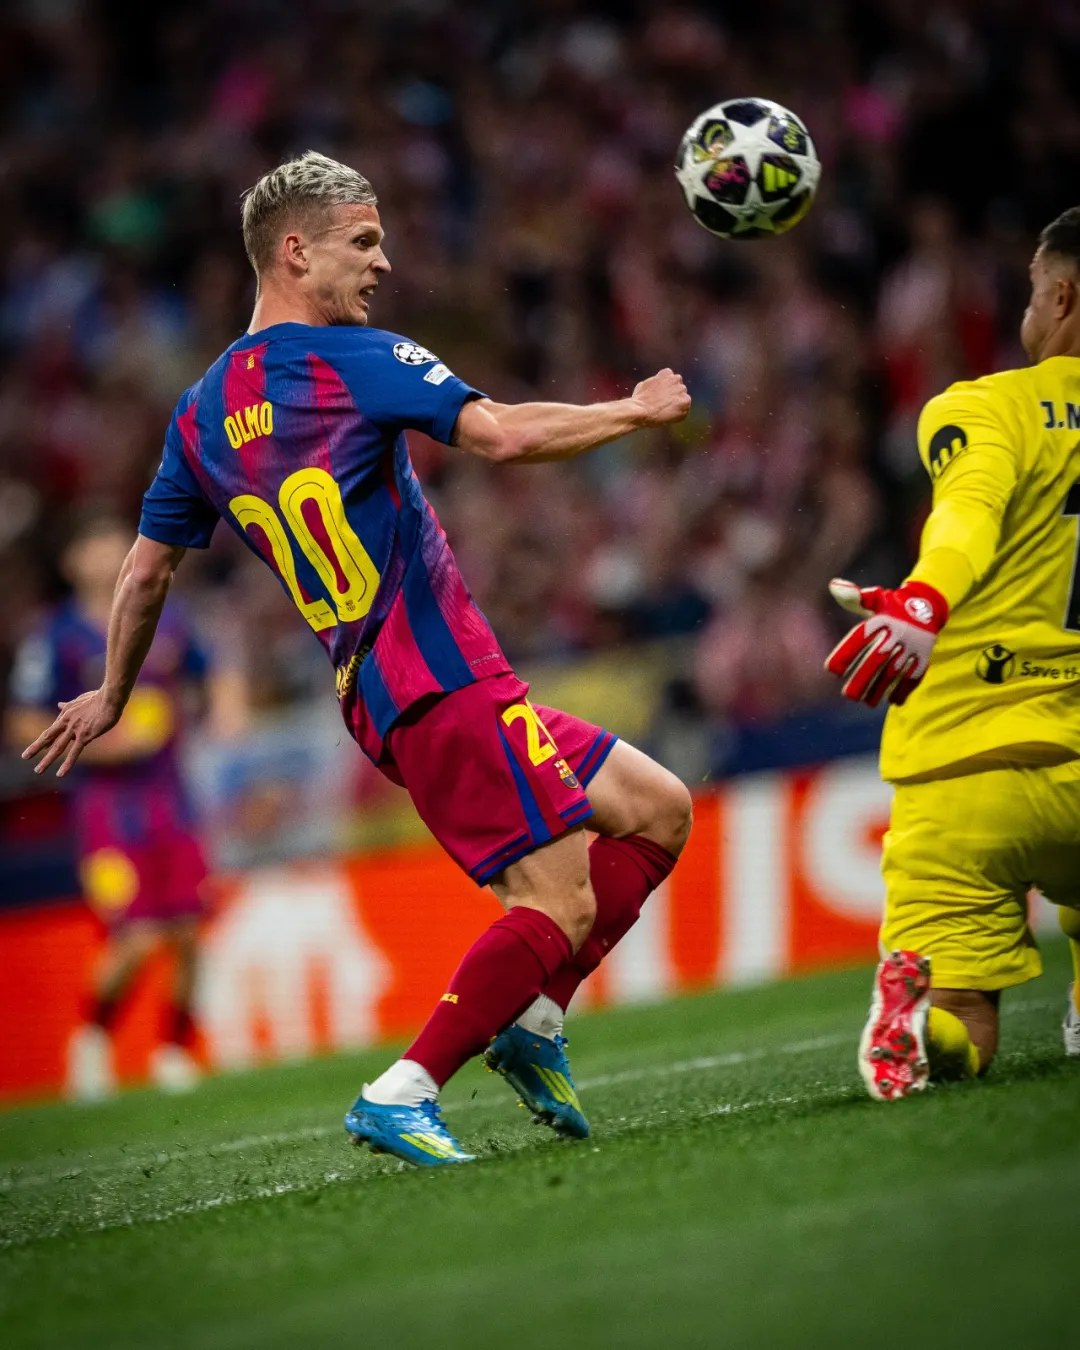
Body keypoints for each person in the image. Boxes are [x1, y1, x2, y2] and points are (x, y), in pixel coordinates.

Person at [23, 151, 693, 1165]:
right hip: (440, 675)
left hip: (386, 692)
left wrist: (112, 692)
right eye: (364, 243)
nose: (383, 265)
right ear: (295, 251)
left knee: (657, 809)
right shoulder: (353, 358)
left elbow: (144, 572)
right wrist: (632, 411)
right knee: (558, 900)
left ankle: (534, 1023)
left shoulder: (198, 417)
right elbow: (501, 437)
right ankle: (403, 1090)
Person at [824, 205, 1080, 1099]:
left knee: (963, 1014)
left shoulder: (987, 407)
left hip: (965, 769)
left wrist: (923, 603)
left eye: (1032, 291)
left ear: (1062, 296)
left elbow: (967, 513)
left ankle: (923, 1023)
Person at [9, 514, 220, 1099]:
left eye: (114, 540)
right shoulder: (54, 636)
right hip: (107, 811)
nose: (109, 551)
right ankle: (93, 1038)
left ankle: (174, 1051)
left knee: (188, 929)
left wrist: (225, 712)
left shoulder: (165, 613)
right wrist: (104, 745)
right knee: (138, 935)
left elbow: (207, 671)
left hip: (173, 800)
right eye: (95, 542)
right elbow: (23, 720)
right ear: (72, 562)